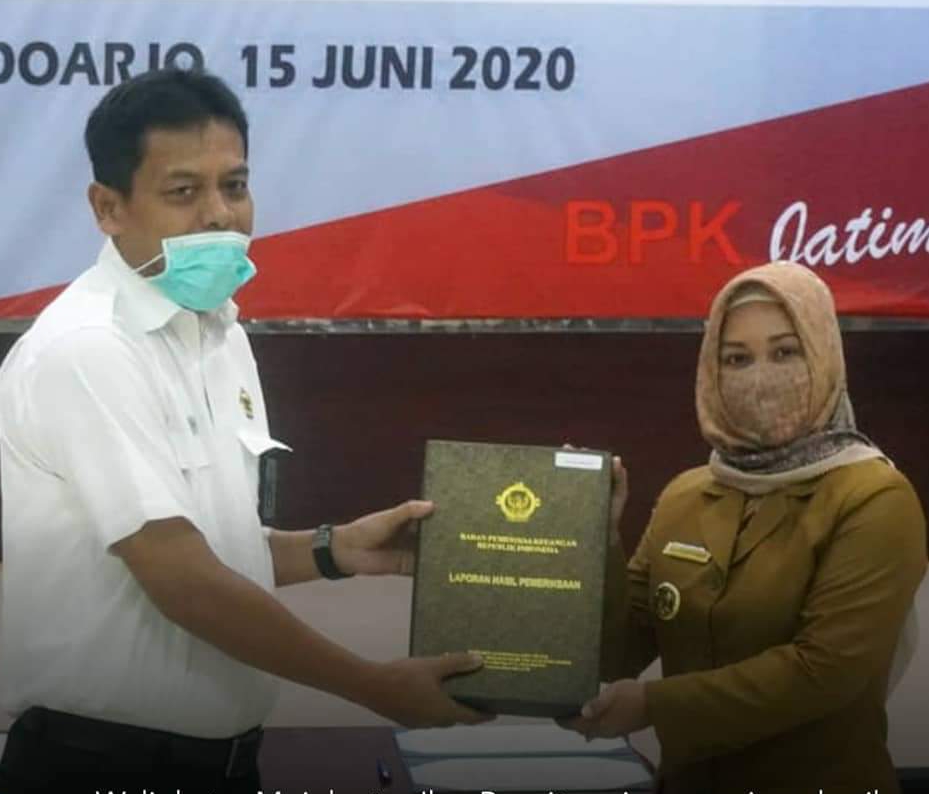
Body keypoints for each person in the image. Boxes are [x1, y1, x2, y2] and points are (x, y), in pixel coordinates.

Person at [0, 67, 490, 794]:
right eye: (183, 192)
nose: (219, 215)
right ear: (108, 207)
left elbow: (208, 543)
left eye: (234, 185)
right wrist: (373, 685)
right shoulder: (89, 348)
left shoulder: (217, 331)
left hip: (218, 763)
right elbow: (181, 577)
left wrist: (335, 549)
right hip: (100, 762)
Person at [564, 262, 927, 794]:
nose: (760, 377)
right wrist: (597, 538)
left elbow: (824, 672)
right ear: (711, 372)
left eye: (786, 352)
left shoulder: (874, 497)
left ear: (824, 356)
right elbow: (619, 653)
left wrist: (652, 705)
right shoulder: (687, 494)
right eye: (737, 358)